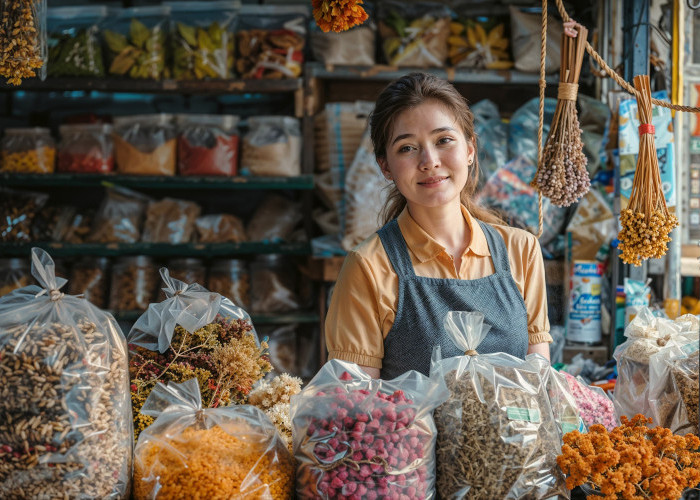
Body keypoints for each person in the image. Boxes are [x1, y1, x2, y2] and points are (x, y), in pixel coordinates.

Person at [325, 72, 554, 380]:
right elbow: (360, 406)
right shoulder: (369, 267)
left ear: (470, 149)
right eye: (407, 147)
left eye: (444, 140)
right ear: (386, 167)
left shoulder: (521, 250)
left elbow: (539, 380)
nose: (429, 160)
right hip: (413, 431)